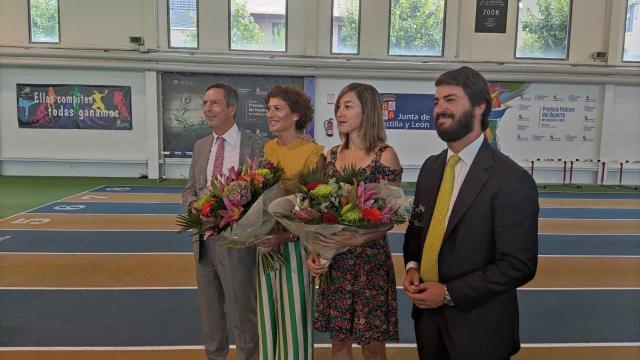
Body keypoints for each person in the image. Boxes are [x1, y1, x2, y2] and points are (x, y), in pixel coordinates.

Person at [402, 66, 539, 360]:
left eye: (450, 100)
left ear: (480, 107)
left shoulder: (511, 179)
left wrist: (449, 292)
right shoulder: (430, 168)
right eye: (437, 101)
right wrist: (412, 266)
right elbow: (417, 231)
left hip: (479, 328)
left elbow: (518, 264)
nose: (439, 109)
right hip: (428, 323)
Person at [306, 83, 402, 360]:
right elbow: (318, 211)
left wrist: (359, 237)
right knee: (339, 343)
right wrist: (316, 250)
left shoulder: (385, 156)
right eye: (338, 106)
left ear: (368, 111)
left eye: (348, 106)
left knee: (372, 347)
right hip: (336, 261)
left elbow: (392, 217)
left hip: (370, 263)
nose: (339, 112)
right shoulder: (331, 156)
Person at [182, 82, 266, 360]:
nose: (207, 109)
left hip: (237, 244)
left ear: (231, 109)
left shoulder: (255, 146)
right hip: (203, 244)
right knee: (211, 319)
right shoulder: (200, 146)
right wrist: (196, 206)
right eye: (205, 103)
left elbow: (262, 195)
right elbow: (189, 189)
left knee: (244, 317)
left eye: (214, 103)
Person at [255, 84, 324, 360]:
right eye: (269, 109)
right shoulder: (267, 148)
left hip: (296, 247)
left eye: (277, 108)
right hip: (265, 245)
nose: (270, 114)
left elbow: (316, 209)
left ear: (295, 115)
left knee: (294, 322)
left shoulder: (314, 153)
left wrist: (287, 236)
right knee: (267, 319)